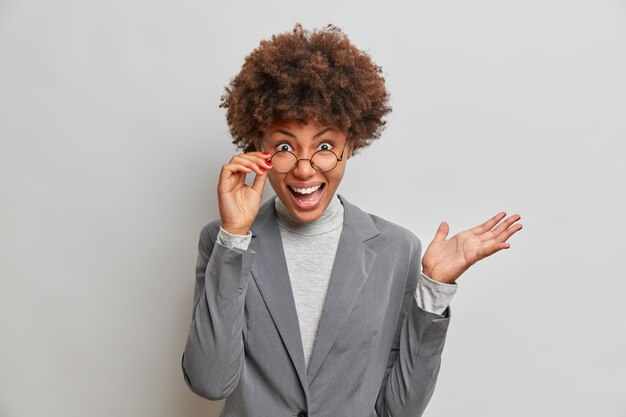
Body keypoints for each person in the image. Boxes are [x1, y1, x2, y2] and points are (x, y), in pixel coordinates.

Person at [181, 23, 522, 417]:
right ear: (259, 148)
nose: (305, 170)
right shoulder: (223, 241)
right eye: (285, 147)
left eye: (325, 146)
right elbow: (209, 382)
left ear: (351, 144)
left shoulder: (397, 250)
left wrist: (435, 291)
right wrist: (235, 237)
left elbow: (400, 409)